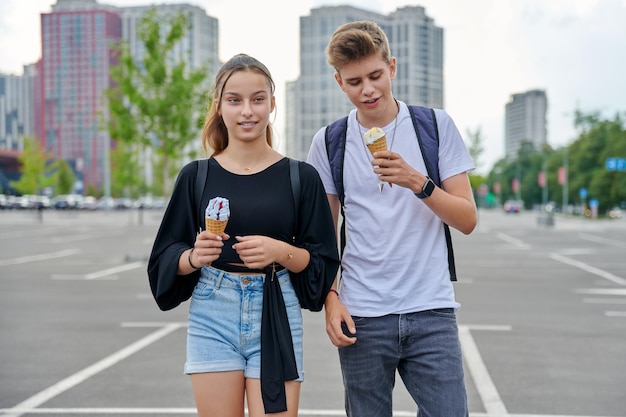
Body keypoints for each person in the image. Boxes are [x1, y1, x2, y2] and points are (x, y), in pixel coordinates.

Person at [148, 53, 340, 417]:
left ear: (272, 104)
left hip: (276, 306)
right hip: (212, 308)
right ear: (219, 106)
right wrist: (194, 256)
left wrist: (281, 251)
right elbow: (164, 256)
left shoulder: (301, 177)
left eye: (258, 99)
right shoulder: (196, 176)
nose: (247, 111)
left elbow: (323, 262)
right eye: (235, 100)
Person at [306, 21, 478, 417]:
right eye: (354, 82)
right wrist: (330, 300)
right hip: (362, 313)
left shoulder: (434, 126)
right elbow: (323, 236)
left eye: (375, 76)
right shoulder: (329, 141)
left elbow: (467, 219)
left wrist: (418, 182)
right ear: (339, 82)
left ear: (392, 67)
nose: (367, 90)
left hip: (430, 309)